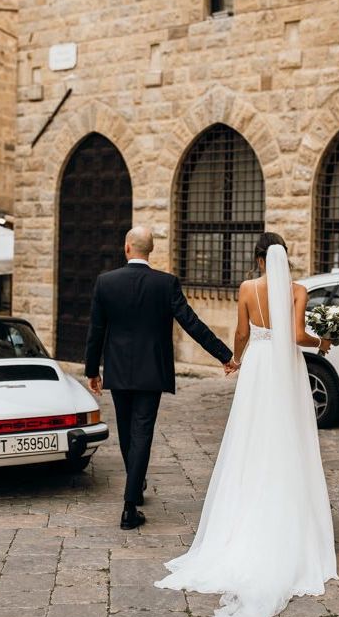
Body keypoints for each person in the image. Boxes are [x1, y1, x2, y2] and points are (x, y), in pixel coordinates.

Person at [154, 232, 337, 617]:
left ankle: (240, 516)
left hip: (258, 368)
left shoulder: (246, 288)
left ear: (257, 260)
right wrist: (324, 340)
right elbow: (297, 336)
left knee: (250, 437)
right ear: (283, 259)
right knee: (288, 437)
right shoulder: (298, 290)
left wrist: (236, 359)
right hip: (285, 368)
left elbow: (240, 331)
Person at [84, 226, 235, 531]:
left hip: (119, 370)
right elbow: (191, 322)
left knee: (128, 433)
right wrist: (224, 355)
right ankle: (131, 501)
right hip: (151, 370)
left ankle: (133, 493)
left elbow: (96, 330)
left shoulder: (106, 282)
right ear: (149, 250)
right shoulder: (165, 283)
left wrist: (91, 370)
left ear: (127, 248)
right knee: (141, 433)